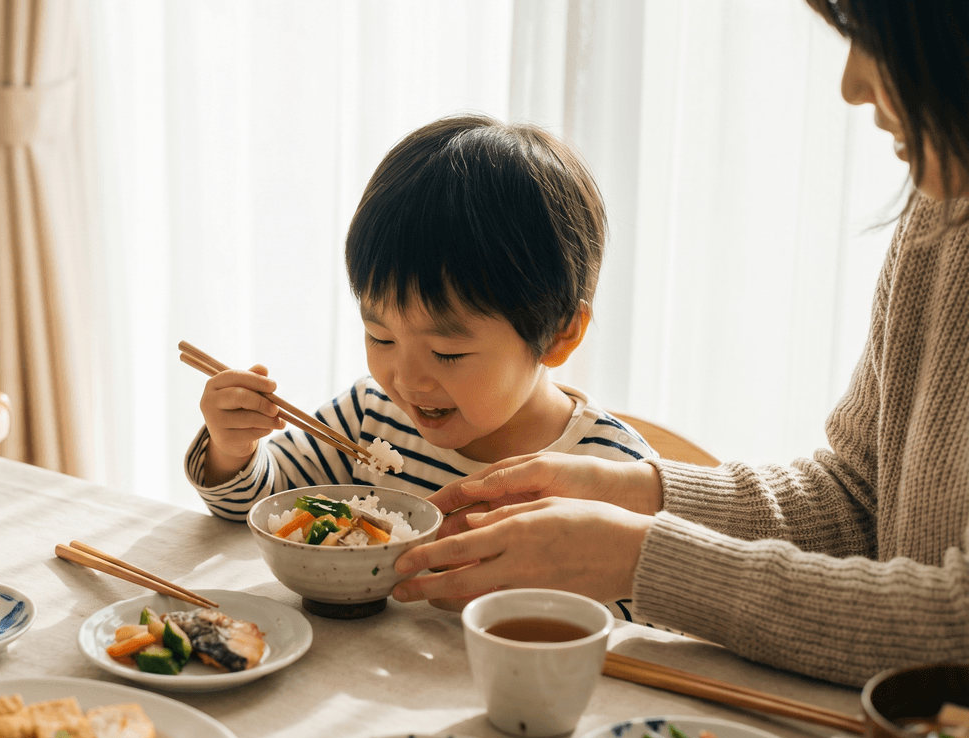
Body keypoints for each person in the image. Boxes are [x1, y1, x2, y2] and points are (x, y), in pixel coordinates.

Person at [390, 0, 969, 687]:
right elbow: (859, 501)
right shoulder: (941, 211)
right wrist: (644, 492)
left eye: (877, 37)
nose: (853, 83)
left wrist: (643, 556)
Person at [185, 113, 656, 625]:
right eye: (379, 337)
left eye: (448, 353)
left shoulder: (616, 473)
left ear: (560, 332)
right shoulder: (370, 416)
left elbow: (657, 634)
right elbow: (257, 513)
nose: (405, 381)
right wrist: (232, 449)